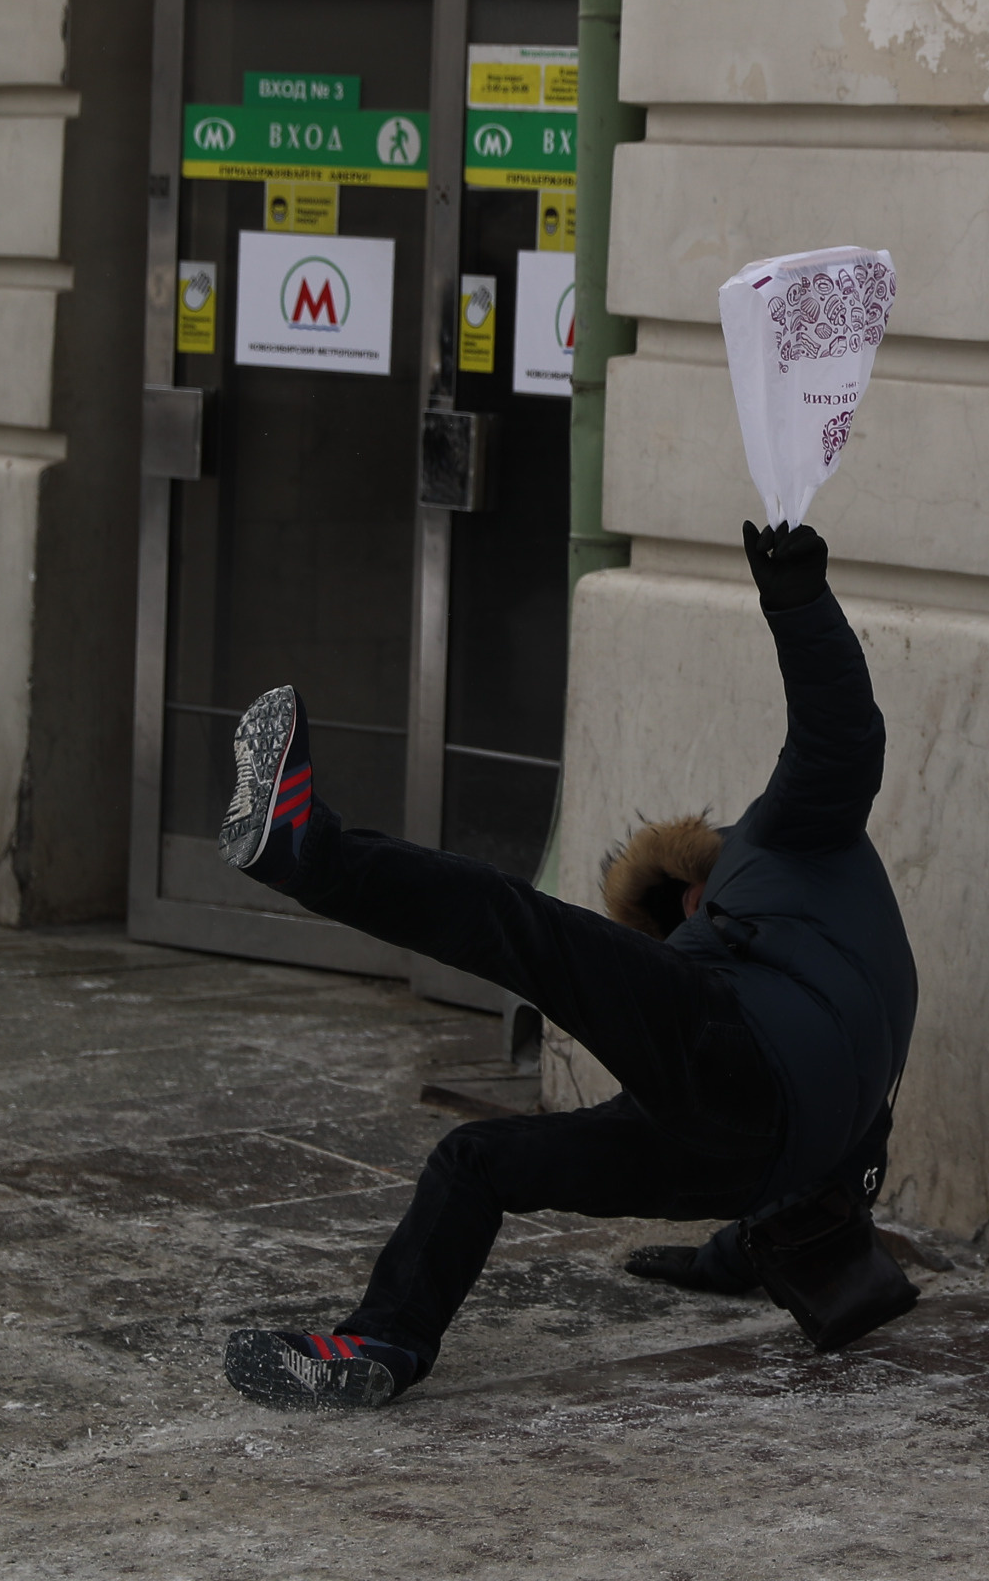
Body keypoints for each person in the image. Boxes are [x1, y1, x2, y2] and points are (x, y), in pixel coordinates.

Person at [211, 521, 920, 1408]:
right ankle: (379, 1344)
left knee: (520, 925)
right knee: (481, 1160)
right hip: (746, 1161)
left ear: (694, 888)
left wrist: (799, 602)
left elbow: (839, 737)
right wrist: (726, 1260)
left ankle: (301, 849)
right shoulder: (854, 964)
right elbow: (843, 1146)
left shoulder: (782, 841)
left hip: (746, 1070)